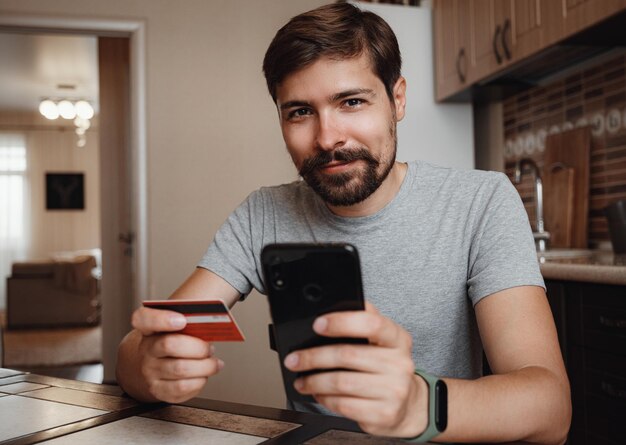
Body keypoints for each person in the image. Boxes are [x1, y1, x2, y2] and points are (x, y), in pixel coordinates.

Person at [117, 3, 571, 443]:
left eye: (351, 102)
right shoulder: (263, 214)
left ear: (397, 100)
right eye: (299, 111)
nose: (327, 137)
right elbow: (142, 346)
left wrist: (416, 404)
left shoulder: (481, 202)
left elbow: (550, 409)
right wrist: (150, 368)